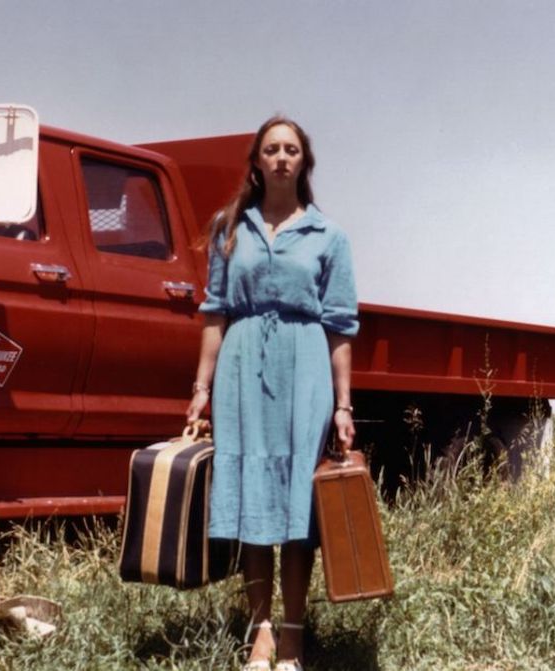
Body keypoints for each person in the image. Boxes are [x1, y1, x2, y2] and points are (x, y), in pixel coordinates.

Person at [186, 115, 358, 671]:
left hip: (305, 366)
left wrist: (343, 405)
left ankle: (292, 633)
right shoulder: (228, 227)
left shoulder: (329, 236)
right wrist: (200, 389)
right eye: (271, 149)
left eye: (291, 150)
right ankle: (259, 629)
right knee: (254, 498)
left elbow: (340, 328)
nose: (281, 158)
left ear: (303, 162)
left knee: (296, 509)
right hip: (240, 368)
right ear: (257, 162)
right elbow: (214, 313)